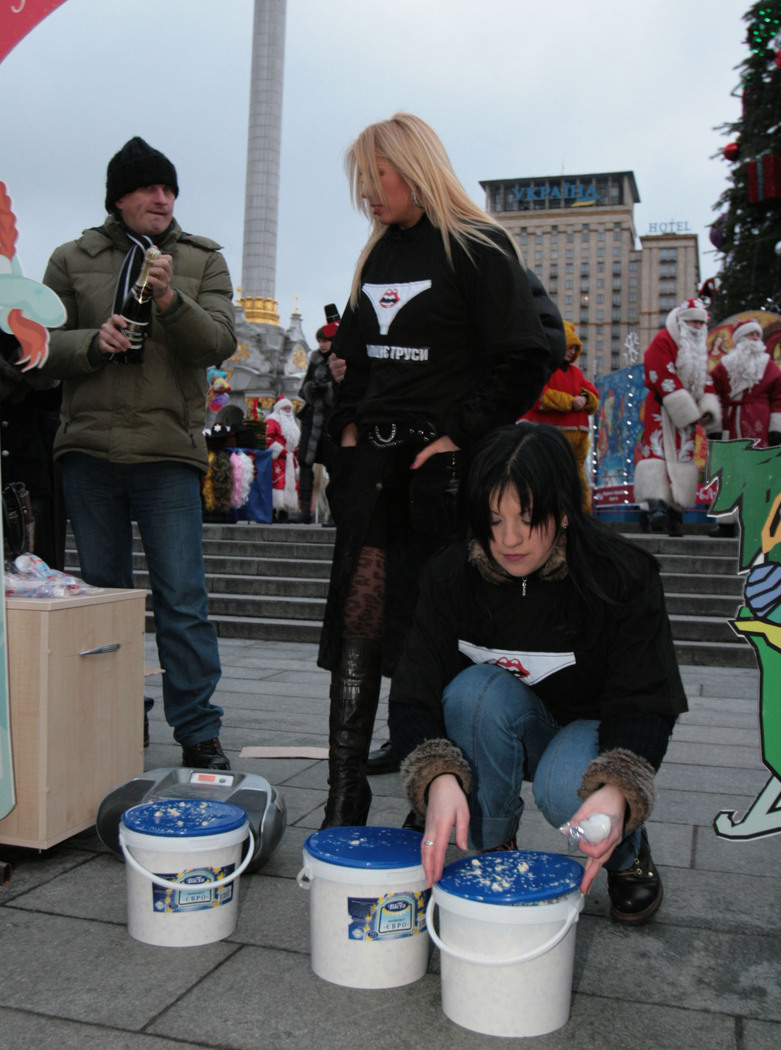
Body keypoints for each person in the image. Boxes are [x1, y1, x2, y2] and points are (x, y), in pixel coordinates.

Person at [317, 112, 554, 827]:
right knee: (358, 625)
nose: (366, 192)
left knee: (437, 633)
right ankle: (344, 793)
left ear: (413, 169)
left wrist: (459, 434)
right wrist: (347, 430)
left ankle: (431, 797)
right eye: (360, 180)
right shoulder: (377, 255)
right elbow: (352, 358)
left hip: (443, 480)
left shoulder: (477, 246)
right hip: (373, 473)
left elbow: (525, 356)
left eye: (376, 176)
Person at [390, 422, 686, 924]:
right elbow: (413, 692)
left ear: (564, 510)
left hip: (589, 735)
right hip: (497, 727)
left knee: (565, 785)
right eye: (494, 519)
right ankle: (492, 842)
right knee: (473, 692)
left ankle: (626, 852)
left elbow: (645, 699)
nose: (509, 539)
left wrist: (619, 788)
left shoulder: (622, 576)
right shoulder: (450, 575)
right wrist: (436, 778)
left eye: (528, 518)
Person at [41, 136, 235, 770]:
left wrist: (171, 300)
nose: (163, 198)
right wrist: (90, 343)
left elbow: (218, 343)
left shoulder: (201, 260)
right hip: (89, 452)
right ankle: (121, 721)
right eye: (151, 188)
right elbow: (35, 346)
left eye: (170, 188)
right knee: (106, 600)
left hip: (167, 454)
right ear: (119, 197)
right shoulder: (71, 258)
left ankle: (198, 731)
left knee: (183, 600)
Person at [634, 298, 722, 536]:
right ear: (682, 321)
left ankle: (675, 516)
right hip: (662, 408)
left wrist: (706, 410)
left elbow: (704, 379)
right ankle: (656, 509)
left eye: (701, 322)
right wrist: (688, 408)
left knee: (682, 461)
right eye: (693, 321)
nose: (697, 326)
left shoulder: (699, 349)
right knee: (657, 455)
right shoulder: (664, 339)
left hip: (687, 416)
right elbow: (661, 372)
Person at [523, 320, 599, 511]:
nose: (572, 352)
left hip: (576, 447)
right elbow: (539, 396)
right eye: (569, 347)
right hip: (551, 440)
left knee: (577, 486)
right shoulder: (543, 369)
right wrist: (570, 402)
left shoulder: (576, 373)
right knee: (550, 483)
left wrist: (585, 398)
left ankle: (581, 517)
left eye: (575, 348)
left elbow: (593, 394)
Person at [290, 326, 338, 524]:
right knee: (305, 461)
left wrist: (328, 389)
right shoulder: (315, 359)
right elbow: (303, 390)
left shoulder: (341, 360)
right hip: (312, 418)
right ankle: (305, 511)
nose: (322, 345)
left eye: (325, 341)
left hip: (331, 419)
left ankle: (334, 513)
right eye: (319, 341)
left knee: (333, 465)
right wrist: (312, 388)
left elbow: (347, 390)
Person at [265, 395, 300, 521]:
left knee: (289, 485)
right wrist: (281, 451)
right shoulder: (272, 421)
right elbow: (267, 439)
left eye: (289, 408)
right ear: (279, 409)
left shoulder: (292, 423)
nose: (287, 410)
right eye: (285, 408)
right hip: (277, 458)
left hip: (290, 459)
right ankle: (272, 511)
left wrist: (295, 450)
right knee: (277, 484)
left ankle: (284, 512)